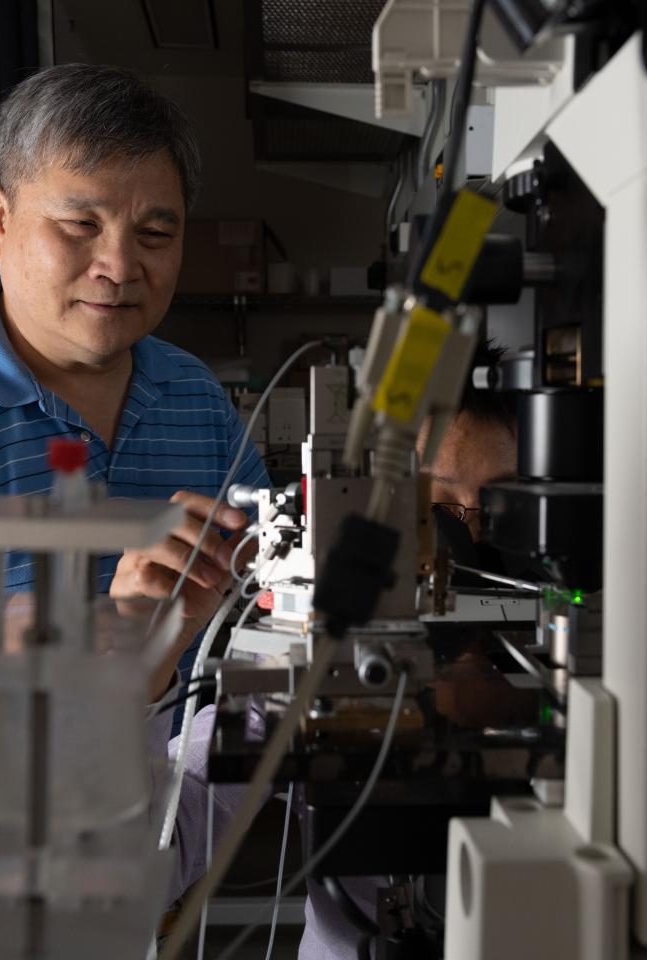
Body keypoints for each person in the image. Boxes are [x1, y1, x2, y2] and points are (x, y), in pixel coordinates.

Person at [0, 65, 266, 701]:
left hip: (179, 792)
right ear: (0, 221)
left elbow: (271, 595)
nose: (119, 267)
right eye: (80, 226)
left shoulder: (196, 399)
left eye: (154, 234)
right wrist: (115, 635)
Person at [159, 343, 521, 960]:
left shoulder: (592, 664)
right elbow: (158, 846)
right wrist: (143, 664)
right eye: (438, 513)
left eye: (506, 507)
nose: (472, 539)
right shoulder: (311, 670)